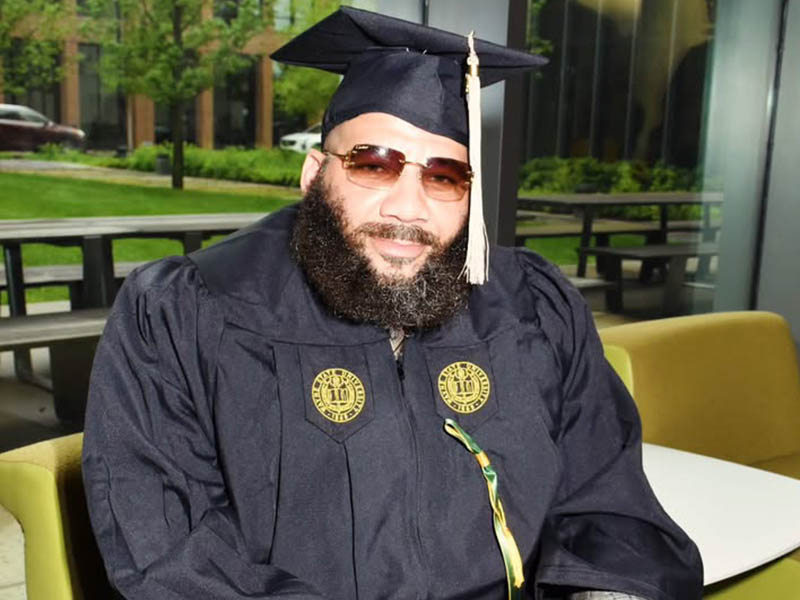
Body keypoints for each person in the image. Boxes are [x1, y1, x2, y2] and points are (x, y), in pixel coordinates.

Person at [82, 7, 703, 600]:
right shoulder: (186, 313)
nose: (408, 209)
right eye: (373, 165)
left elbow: (606, 500)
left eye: (443, 177)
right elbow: (169, 551)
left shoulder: (534, 307)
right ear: (312, 174)